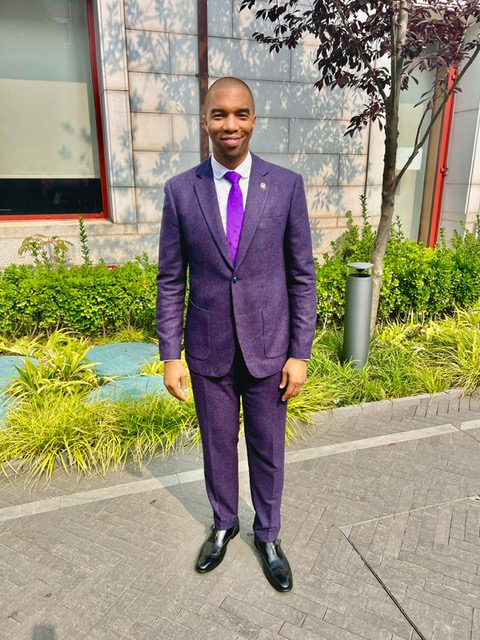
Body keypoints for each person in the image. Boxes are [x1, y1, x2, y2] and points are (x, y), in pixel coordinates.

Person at [156, 77, 316, 592]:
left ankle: (267, 535)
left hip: (269, 350)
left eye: (241, 114)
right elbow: (170, 279)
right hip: (209, 350)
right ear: (205, 120)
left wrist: (300, 353)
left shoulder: (285, 186)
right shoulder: (181, 191)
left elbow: (302, 275)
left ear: (253, 119)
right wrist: (170, 355)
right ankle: (224, 524)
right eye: (220, 114)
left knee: (268, 449)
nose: (231, 124)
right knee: (217, 447)